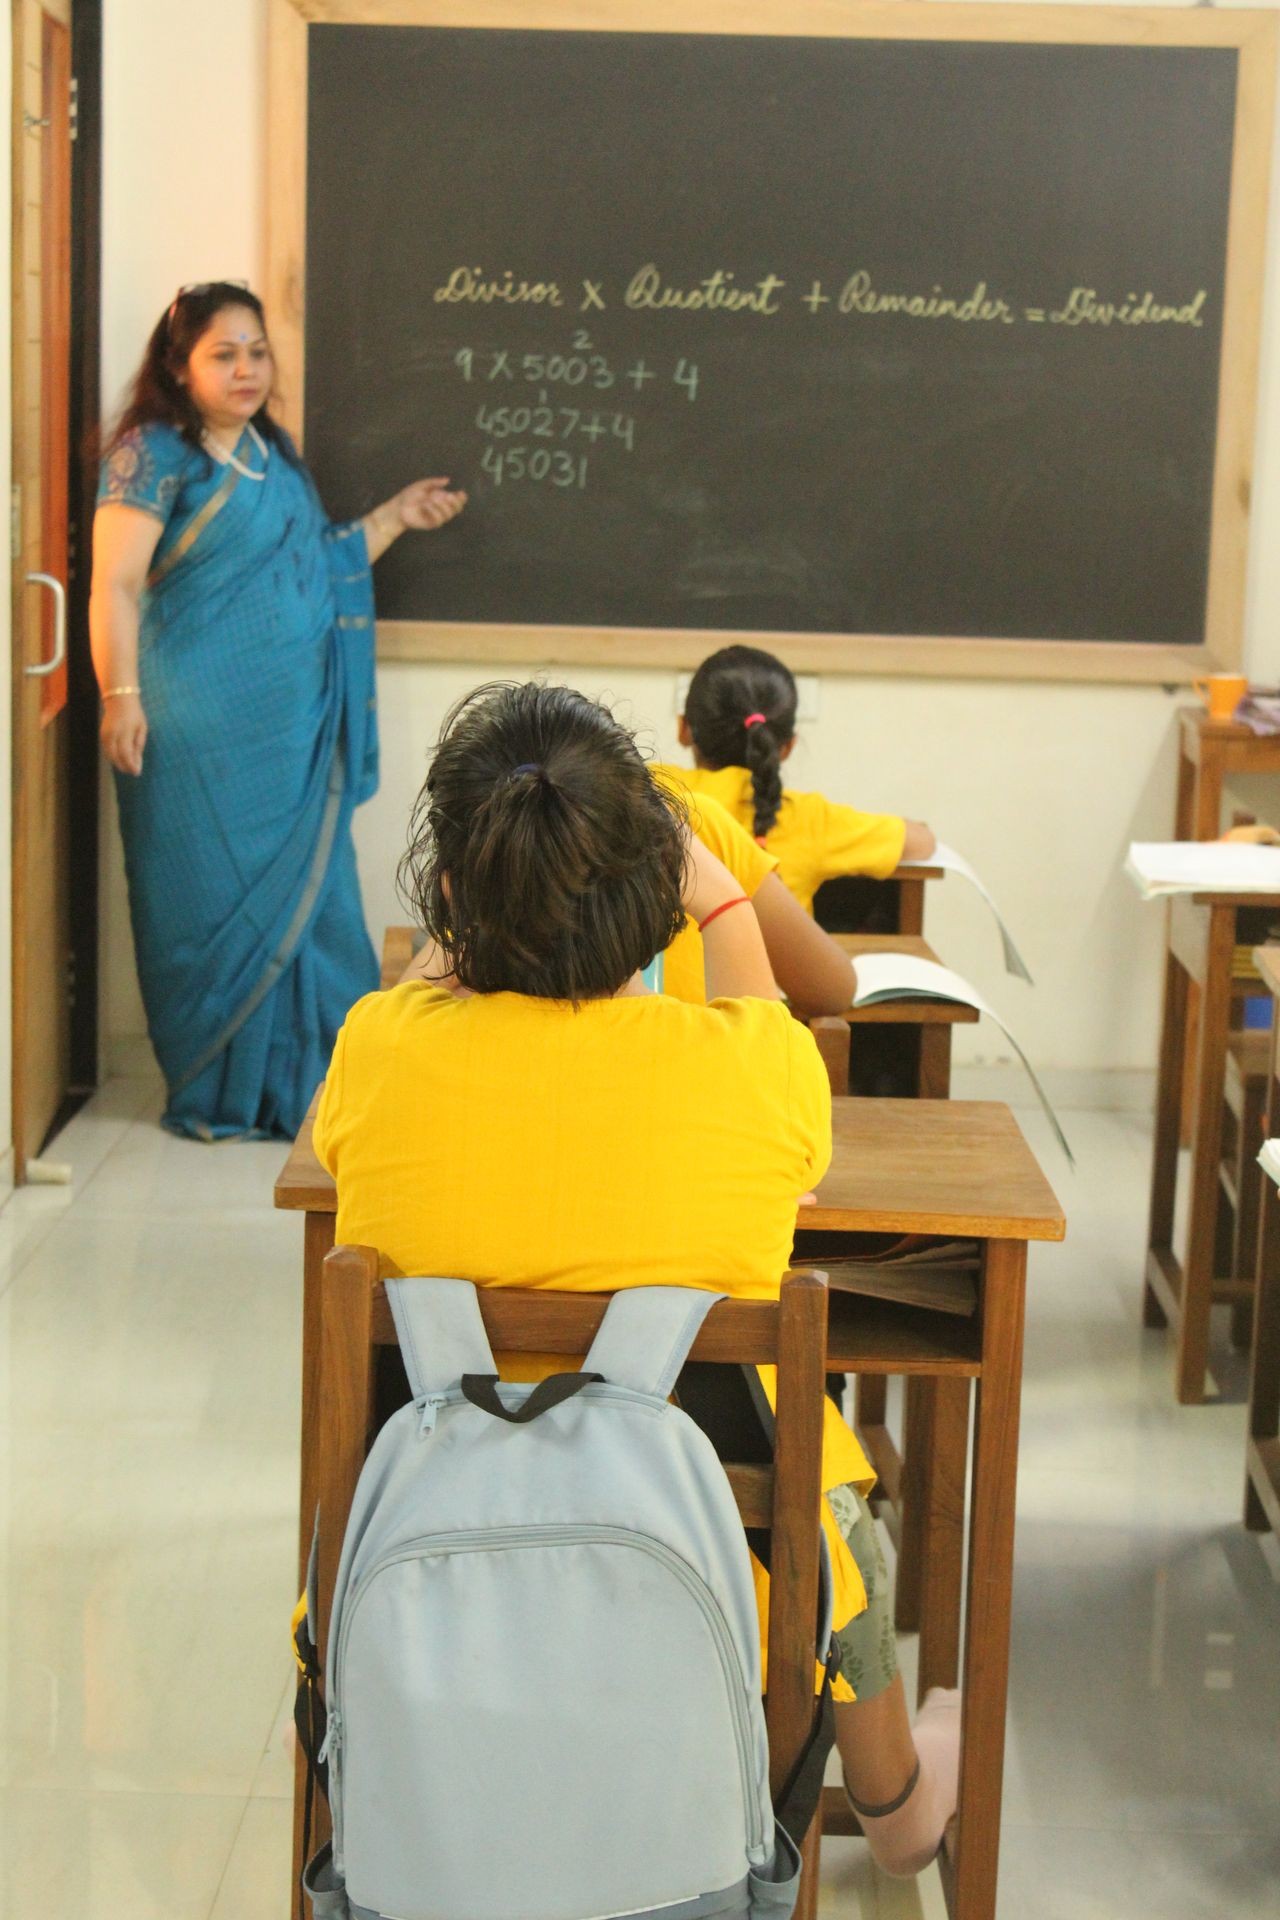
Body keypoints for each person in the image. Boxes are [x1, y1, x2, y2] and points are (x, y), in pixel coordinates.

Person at [315, 681, 959, 1877]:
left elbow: (410, 1014)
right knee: (832, 1522)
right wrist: (713, 889)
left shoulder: (378, 1050)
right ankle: (903, 1810)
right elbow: (770, 1009)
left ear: (452, 892)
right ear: (654, 891)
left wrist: (471, 919)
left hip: (415, 1595)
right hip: (712, 1607)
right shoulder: (749, 1075)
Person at [89, 281, 466, 1138]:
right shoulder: (153, 456)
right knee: (202, 905)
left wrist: (393, 518)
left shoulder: (271, 452)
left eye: (257, 351)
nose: (247, 368)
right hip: (190, 738)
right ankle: (221, 1091)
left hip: (290, 744)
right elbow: (113, 583)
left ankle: (325, 1094)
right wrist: (118, 695)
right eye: (223, 353)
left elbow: (315, 563)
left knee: (320, 908)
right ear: (178, 368)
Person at [659, 644, 936, 915]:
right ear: (787, 746)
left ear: (684, 728)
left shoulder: (651, 789)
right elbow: (921, 843)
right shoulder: (808, 817)